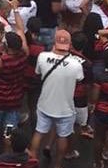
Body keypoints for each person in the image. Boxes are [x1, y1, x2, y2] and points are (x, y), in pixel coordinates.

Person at [29, 30, 84, 168]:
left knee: (39, 132)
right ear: (69, 45)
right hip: (65, 108)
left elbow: (38, 73)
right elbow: (80, 79)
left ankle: (32, 162)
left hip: (45, 104)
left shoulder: (42, 56)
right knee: (62, 136)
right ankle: (57, 165)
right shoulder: (76, 65)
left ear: (55, 42)